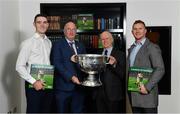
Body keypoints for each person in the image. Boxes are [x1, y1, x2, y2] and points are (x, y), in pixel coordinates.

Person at [16, 14, 53, 113]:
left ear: (48, 24)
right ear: (34, 24)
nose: (42, 25)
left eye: (45, 22)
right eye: (39, 22)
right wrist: (34, 82)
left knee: (46, 110)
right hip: (33, 85)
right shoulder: (27, 43)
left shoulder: (49, 42)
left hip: (47, 83)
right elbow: (19, 66)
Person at [127, 20, 165, 113]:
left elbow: (160, 69)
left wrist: (147, 87)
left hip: (147, 97)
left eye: (140, 28)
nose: (137, 31)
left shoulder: (152, 47)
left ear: (145, 31)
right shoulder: (132, 48)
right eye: (135, 29)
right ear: (132, 32)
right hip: (134, 95)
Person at [51, 20, 86, 113]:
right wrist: (71, 77)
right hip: (63, 88)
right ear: (64, 31)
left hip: (79, 88)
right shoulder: (57, 45)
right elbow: (57, 64)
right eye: (68, 29)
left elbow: (85, 64)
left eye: (73, 29)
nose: (71, 31)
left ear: (76, 31)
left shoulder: (80, 45)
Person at [95, 31, 126, 113]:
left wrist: (114, 65)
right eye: (102, 39)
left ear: (112, 40)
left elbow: (123, 74)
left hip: (113, 94)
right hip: (98, 94)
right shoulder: (97, 54)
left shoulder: (120, 54)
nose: (104, 41)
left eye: (107, 38)